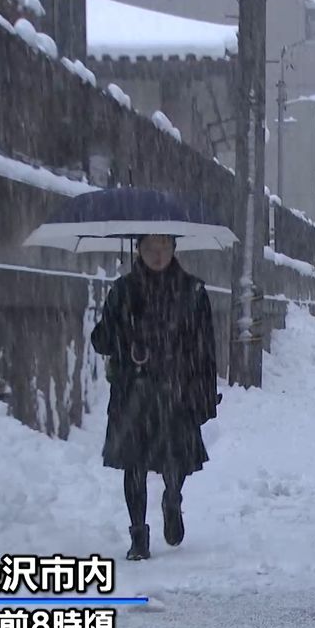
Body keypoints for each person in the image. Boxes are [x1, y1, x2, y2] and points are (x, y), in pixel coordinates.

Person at [90, 234, 219, 561]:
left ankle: (172, 499)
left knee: (174, 460)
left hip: (177, 389)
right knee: (133, 464)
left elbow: (204, 349)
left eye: (164, 247)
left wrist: (202, 396)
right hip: (133, 391)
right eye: (150, 248)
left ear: (174, 249)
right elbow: (102, 341)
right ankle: (138, 535)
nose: (157, 254)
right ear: (138, 251)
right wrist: (119, 324)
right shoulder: (123, 290)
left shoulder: (192, 291)